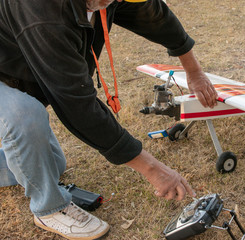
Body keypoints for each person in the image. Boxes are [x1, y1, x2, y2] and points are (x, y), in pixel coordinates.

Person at [0, 0, 218, 239]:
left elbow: (156, 18)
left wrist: (194, 71)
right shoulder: (42, 10)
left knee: (52, 165)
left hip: (17, 67)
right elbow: (76, 104)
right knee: (25, 115)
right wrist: (152, 168)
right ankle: (49, 209)